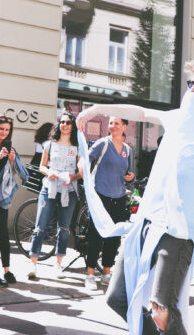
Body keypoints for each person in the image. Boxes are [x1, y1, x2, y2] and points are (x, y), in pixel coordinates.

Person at [76, 58, 194, 335]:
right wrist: (98, 108)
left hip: (178, 232)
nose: (193, 90)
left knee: (163, 311)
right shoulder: (176, 119)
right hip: (146, 223)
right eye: (190, 84)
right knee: (118, 298)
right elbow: (139, 111)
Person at [27, 112, 82, 279]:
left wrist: (72, 177)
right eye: (62, 122)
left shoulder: (78, 147)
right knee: (40, 226)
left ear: (73, 126)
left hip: (69, 190)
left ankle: (58, 264)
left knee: (64, 228)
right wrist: (49, 172)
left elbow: (81, 172)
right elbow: (42, 166)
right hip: (49, 188)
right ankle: (33, 264)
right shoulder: (49, 145)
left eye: (68, 122)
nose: (64, 125)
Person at [84, 117, 135, 290]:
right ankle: (90, 274)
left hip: (119, 197)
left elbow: (130, 173)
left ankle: (106, 273)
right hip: (100, 196)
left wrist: (131, 176)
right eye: (111, 123)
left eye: (117, 124)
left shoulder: (128, 149)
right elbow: (85, 159)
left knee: (114, 238)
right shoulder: (102, 144)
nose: (113, 126)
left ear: (124, 127)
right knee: (95, 237)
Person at [0, 115, 28, 284]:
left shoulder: (10, 149)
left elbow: (25, 176)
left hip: (0, 197)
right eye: (1, 128)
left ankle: (7, 270)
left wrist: (12, 161)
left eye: (7, 130)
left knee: (2, 233)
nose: (4, 132)